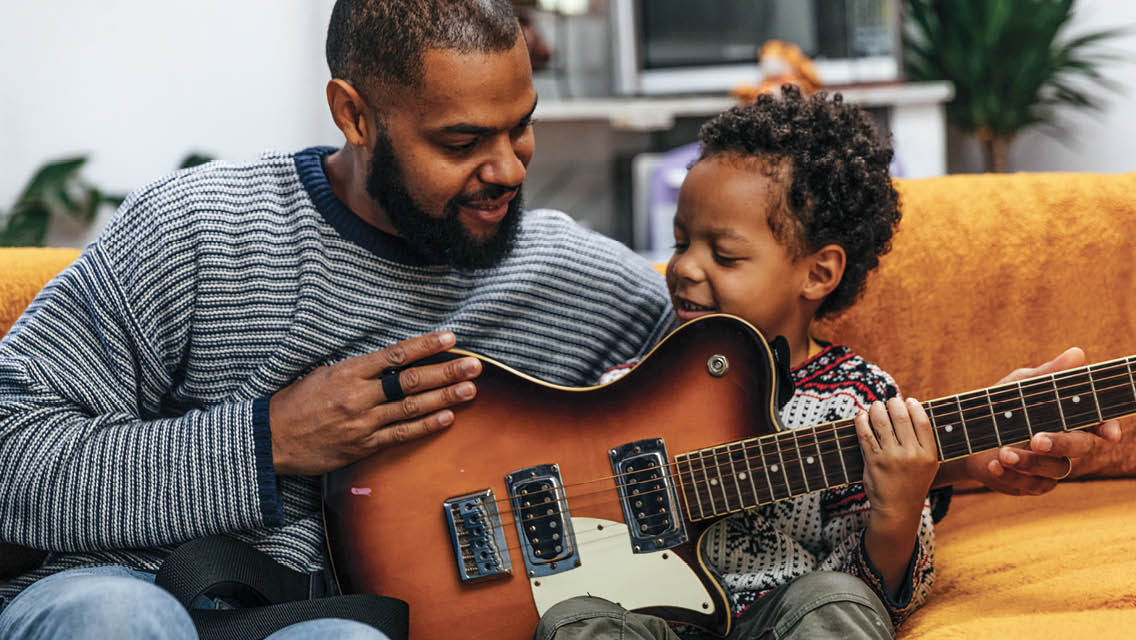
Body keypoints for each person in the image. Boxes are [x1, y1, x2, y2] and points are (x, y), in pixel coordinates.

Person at [0, 1, 1120, 639]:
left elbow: (739, 421)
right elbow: (11, 453)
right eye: (458, 143)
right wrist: (271, 441)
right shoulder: (195, 231)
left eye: (521, 128)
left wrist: (976, 461)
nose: (506, 171)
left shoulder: (587, 284)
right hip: (124, 584)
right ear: (353, 113)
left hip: (338, 619)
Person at [537, 87, 940, 640]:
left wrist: (896, 515)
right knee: (572, 620)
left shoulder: (857, 398)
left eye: (724, 255)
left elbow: (868, 592)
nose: (685, 268)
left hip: (782, 620)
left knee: (836, 598)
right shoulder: (630, 386)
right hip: (657, 624)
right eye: (681, 244)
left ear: (818, 273)